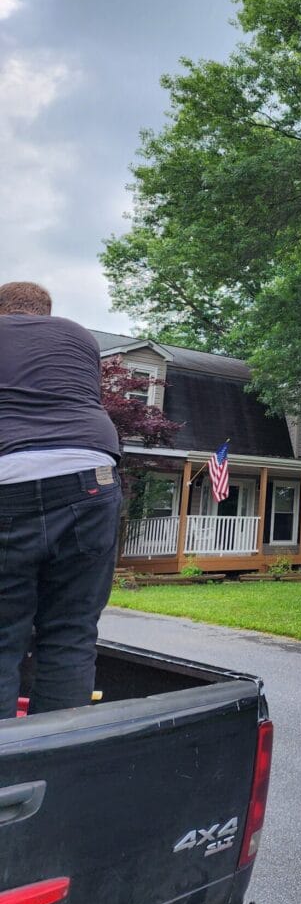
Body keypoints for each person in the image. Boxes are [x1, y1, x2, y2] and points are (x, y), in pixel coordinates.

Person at [0, 281, 121, 717]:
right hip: (90, 477)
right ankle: (57, 761)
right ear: (46, 312)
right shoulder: (80, 337)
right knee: (71, 630)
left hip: (7, 476)